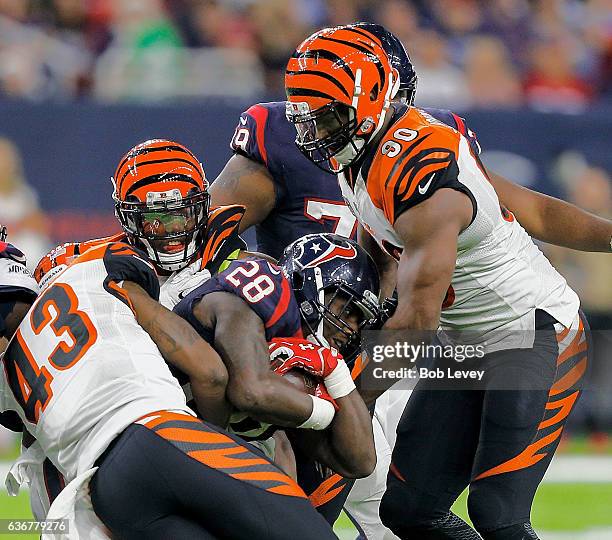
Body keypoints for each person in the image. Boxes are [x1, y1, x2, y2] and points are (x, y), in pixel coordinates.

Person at [211, 21, 612, 539]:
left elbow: (418, 318)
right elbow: (527, 208)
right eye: (305, 114)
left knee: (499, 515)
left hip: (533, 335)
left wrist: (343, 398)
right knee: (408, 512)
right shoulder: (360, 152)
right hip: (466, 345)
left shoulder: (424, 172)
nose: (313, 129)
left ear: (374, 101)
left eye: (326, 114)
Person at [1, 239, 336, 540]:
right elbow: (211, 373)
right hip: (163, 433)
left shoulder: (6, 374)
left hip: (107, 492)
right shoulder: (91, 272)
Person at [174, 232, 379, 478]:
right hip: (158, 425)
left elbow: (361, 462)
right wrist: (324, 412)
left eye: (360, 320)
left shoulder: (311, 355)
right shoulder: (263, 293)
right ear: (310, 283)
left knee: (282, 460)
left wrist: (336, 371)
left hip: (204, 446)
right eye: (348, 310)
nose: (352, 328)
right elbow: (252, 392)